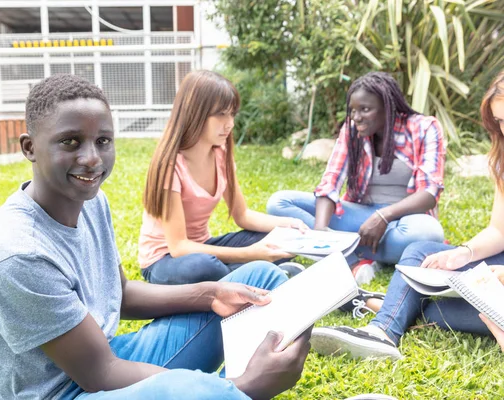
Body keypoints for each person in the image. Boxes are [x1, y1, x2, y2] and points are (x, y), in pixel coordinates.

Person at [0, 74, 312, 399]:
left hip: (104, 356)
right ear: (29, 148)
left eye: (103, 141)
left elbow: (121, 293)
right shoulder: (18, 253)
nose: (91, 158)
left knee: (261, 281)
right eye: (70, 142)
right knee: (210, 388)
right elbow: (100, 373)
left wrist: (212, 293)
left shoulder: (92, 201)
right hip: (67, 389)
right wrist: (243, 388)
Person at [310, 71, 504, 360]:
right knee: (420, 251)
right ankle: (383, 332)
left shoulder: (423, 128)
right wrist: (465, 253)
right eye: (500, 121)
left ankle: (378, 304)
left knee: (445, 311)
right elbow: (499, 231)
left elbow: (429, 190)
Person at [266, 72, 446, 286]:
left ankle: (346, 254)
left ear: (388, 108)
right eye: (353, 110)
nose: (356, 117)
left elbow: (428, 194)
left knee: (430, 233)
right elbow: (330, 182)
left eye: (365, 109)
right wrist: (321, 232)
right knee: (279, 202)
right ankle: (354, 253)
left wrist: (383, 216)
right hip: (359, 218)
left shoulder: (424, 128)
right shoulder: (352, 130)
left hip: (403, 222)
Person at [139, 70, 307, 285]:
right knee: (203, 267)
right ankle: (253, 275)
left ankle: (240, 277)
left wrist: (288, 224)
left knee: (283, 241)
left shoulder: (220, 154)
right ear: (194, 112)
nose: (230, 124)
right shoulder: (170, 166)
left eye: (232, 114)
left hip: (203, 248)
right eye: (221, 114)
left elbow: (242, 215)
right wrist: (251, 253)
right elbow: (179, 247)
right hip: (165, 261)